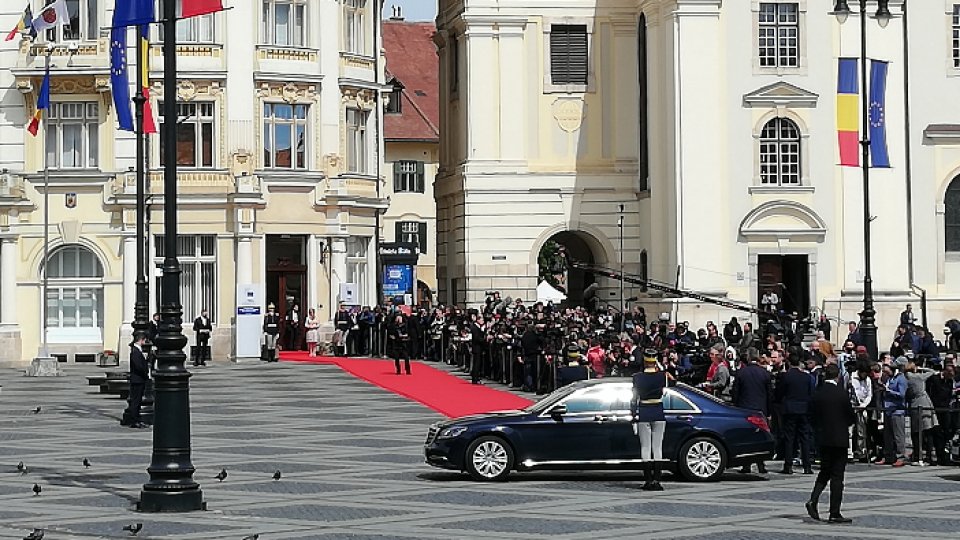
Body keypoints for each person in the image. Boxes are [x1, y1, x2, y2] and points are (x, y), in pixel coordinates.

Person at [806, 363, 857, 524]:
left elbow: (811, 417)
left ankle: (813, 499)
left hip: (823, 439)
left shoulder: (817, 394)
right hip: (839, 439)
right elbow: (850, 417)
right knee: (837, 477)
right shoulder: (841, 394)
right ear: (838, 376)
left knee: (824, 471)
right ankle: (834, 512)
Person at [632, 355, 670, 491]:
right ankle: (657, 480)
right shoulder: (661, 376)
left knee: (646, 447)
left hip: (644, 412)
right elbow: (674, 382)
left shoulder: (637, 377)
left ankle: (648, 480)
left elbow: (634, 398)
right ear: (655, 361)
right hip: (658, 412)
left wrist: (633, 415)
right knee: (658, 447)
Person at [732, 347, 772, 474]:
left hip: (745, 408)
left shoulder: (741, 373)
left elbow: (735, 392)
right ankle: (761, 464)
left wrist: (736, 406)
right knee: (761, 436)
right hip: (761, 409)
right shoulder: (765, 373)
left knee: (746, 437)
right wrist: (769, 411)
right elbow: (770, 394)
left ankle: (746, 464)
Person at [776, 354, 814, 475]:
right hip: (804, 409)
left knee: (789, 438)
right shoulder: (806, 377)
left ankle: (788, 465)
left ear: (789, 363)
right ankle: (807, 466)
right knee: (804, 438)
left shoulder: (786, 376)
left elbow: (779, 392)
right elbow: (811, 393)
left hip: (790, 409)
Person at [904, 361, 938, 463]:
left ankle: (917, 455)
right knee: (927, 430)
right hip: (924, 403)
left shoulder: (906, 378)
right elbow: (932, 371)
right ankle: (929, 455)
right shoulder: (918, 377)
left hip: (913, 404)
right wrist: (921, 369)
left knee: (915, 432)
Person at [878, 361, 907, 466]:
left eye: (887, 371)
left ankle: (901, 456)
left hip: (897, 410)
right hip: (888, 410)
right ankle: (888, 456)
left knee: (898, 435)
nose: (886, 373)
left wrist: (888, 390)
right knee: (887, 435)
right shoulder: (890, 379)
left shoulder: (901, 379)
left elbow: (902, 394)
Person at [927, 364, 956, 465]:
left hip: (945, 408)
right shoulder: (934, 379)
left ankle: (944, 455)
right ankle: (937, 456)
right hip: (935, 408)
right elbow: (930, 392)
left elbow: (948, 393)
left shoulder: (949, 381)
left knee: (946, 432)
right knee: (936, 432)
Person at [122, 332, 150, 429]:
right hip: (137, 380)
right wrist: (145, 374)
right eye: (144, 340)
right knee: (136, 401)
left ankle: (136, 418)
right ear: (141, 340)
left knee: (137, 401)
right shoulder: (135, 351)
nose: (145, 342)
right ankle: (134, 420)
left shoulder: (137, 351)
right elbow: (138, 366)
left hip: (138, 379)